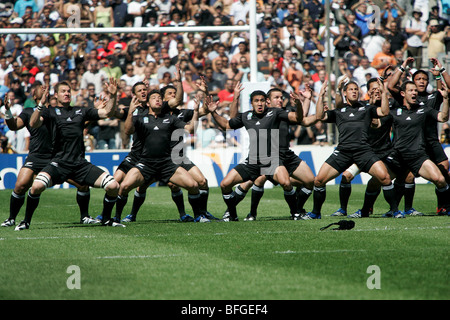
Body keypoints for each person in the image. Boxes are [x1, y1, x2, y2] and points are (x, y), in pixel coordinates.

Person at [17, 78, 122, 230]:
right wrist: (41, 105)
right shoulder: (50, 112)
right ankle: (25, 222)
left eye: (68, 91)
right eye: (63, 91)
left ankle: (106, 219)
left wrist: (113, 96)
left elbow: (107, 112)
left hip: (79, 164)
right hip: (58, 163)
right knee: (36, 187)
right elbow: (33, 123)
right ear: (56, 95)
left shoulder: (81, 110)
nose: (66, 94)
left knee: (113, 186)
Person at [302, 79, 401, 219]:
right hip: (343, 151)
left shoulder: (366, 109)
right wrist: (321, 96)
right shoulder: (339, 111)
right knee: (319, 180)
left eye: (356, 89)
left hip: (363, 151)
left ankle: (395, 211)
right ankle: (316, 213)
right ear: (344, 93)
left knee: (385, 178)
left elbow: (384, 112)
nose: (354, 92)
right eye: (351, 89)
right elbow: (319, 116)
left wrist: (384, 91)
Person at [1, 84, 96, 228]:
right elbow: (14, 126)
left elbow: (77, 122)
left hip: (57, 157)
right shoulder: (28, 112)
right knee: (20, 186)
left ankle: (85, 216)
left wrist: (93, 112)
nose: (44, 89)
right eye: (40, 89)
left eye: (47, 89)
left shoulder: (55, 111)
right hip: (36, 156)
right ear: (34, 95)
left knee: (82, 184)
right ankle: (11, 218)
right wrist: (7, 111)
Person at [222, 83, 318, 221]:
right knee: (253, 181)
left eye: (281, 97)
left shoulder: (283, 113)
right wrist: (235, 98)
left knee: (306, 181)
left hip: (284, 155)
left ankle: (297, 209)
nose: (280, 100)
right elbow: (231, 122)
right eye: (276, 97)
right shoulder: (264, 114)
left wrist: (307, 99)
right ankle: (239, 212)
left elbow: (301, 117)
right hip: (266, 156)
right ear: (268, 100)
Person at [116, 89, 205, 222]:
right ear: (148, 103)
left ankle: (198, 216)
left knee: (193, 185)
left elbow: (190, 129)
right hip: (146, 163)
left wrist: (196, 112)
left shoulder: (171, 119)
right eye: (154, 98)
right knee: (123, 187)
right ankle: (117, 217)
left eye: (159, 98)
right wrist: (130, 112)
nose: (157, 100)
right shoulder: (140, 118)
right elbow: (128, 131)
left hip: (167, 163)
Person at [388, 57, 450, 214]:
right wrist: (402, 67)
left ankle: (443, 206)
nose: (421, 82)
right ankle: (398, 208)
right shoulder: (404, 100)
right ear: (411, 84)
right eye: (418, 80)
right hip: (409, 144)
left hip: (430, 141)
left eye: (424, 79)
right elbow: (390, 86)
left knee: (443, 173)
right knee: (404, 177)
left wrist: (440, 73)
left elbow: (443, 110)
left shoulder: (430, 98)